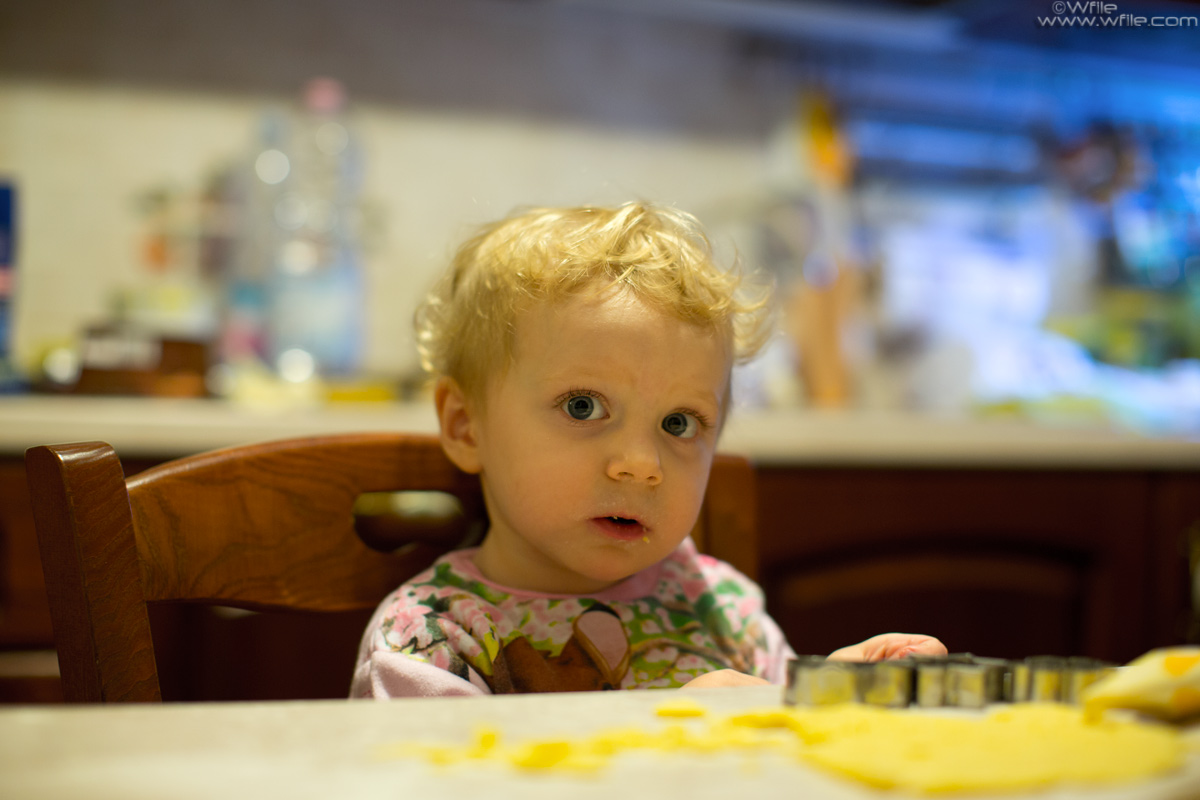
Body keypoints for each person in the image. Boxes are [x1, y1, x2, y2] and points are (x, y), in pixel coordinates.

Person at [351, 202, 944, 698]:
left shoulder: (719, 606)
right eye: (583, 406)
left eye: (680, 423)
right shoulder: (428, 642)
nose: (641, 463)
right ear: (465, 427)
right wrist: (666, 738)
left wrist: (832, 690)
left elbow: (782, 750)